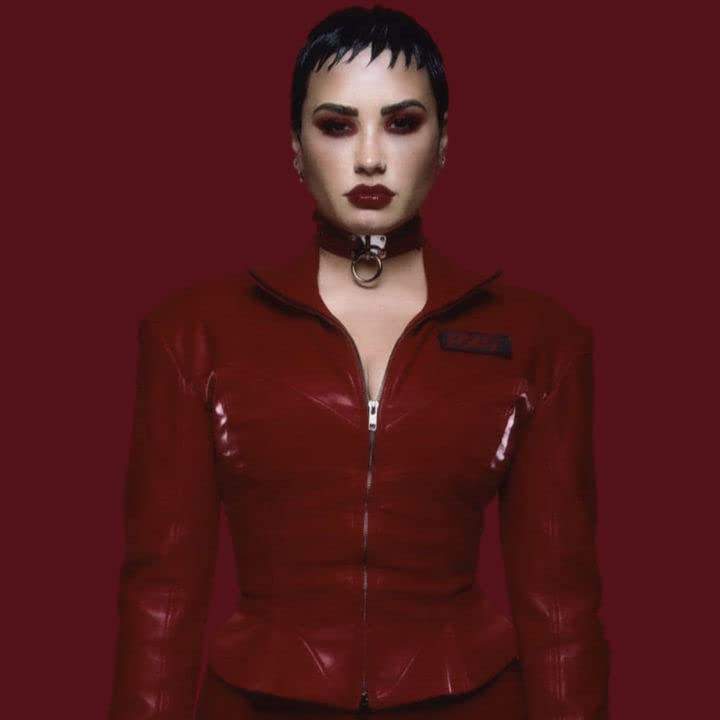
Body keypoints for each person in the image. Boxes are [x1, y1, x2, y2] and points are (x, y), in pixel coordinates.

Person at [109, 5, 610, 719]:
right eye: (337, 125)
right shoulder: (192, 334)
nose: (370, 158)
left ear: (443, 142)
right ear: (294, 145)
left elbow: (561, 601)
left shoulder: (538, 339)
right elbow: (161, 594)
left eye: (402, 123)